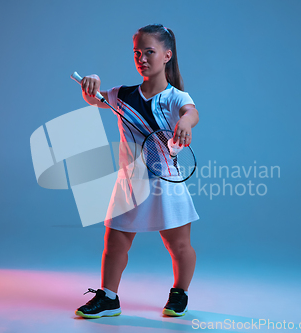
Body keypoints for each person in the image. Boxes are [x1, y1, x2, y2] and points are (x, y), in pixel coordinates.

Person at [74, 24, 200, 318]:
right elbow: (94, 98)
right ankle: (108, 297)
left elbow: (191, 112)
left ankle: (179, 292)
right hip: (130, 183)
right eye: (137, 53)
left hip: (165, 182)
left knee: (179, 245)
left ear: (167, 55)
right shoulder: (121, 95)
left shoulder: (176, 97)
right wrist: (91, 83)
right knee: (114, 244)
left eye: (149, 52)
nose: (142, 58)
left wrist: (185, 124)